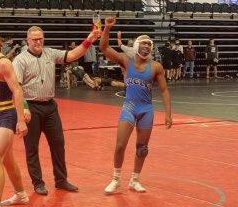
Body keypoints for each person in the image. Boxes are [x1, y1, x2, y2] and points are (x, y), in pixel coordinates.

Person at [12, 26, 100, 195]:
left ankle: (61, 180)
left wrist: (89, 39)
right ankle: (38, 183)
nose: (38, 42)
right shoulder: (20, 60)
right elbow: (17, 88)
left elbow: (73, 55)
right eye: (35, 39)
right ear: (28, 40)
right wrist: (23, 110)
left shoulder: (50, 53)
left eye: (41, 39)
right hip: (31, 106)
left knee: (58, 144)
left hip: (50, 106)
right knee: (32, 148)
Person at [100, 17, 172, 194]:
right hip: (130, 107)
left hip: (146, 110)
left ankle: (135, 179)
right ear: (137, 45)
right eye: (144, 43)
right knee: (120, 145)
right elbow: (104, 48)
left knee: (142, 148)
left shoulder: (156, 67)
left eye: (150, 44)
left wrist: (168, 114)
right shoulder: (126, 60)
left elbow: (164, 90)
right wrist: (107, 29)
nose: (147, 46)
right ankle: (116, 179)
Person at [0, 38, 28, 207]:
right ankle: (21, 194)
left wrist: (21, 119)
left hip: (5, 114)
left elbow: (17, 90)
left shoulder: (3, 63)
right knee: (7, 159)